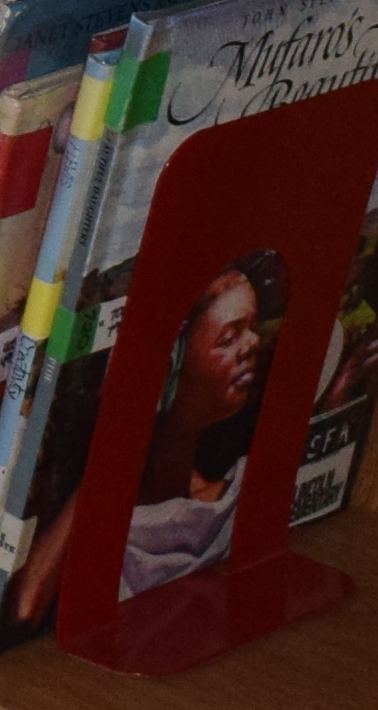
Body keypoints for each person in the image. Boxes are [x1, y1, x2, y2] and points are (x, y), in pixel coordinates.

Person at [111, 249, 287, 601]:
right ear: (170, 358)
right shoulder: (116, 520)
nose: (253, 343)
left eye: (252, 328)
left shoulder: (234, 493)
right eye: (229, 336)